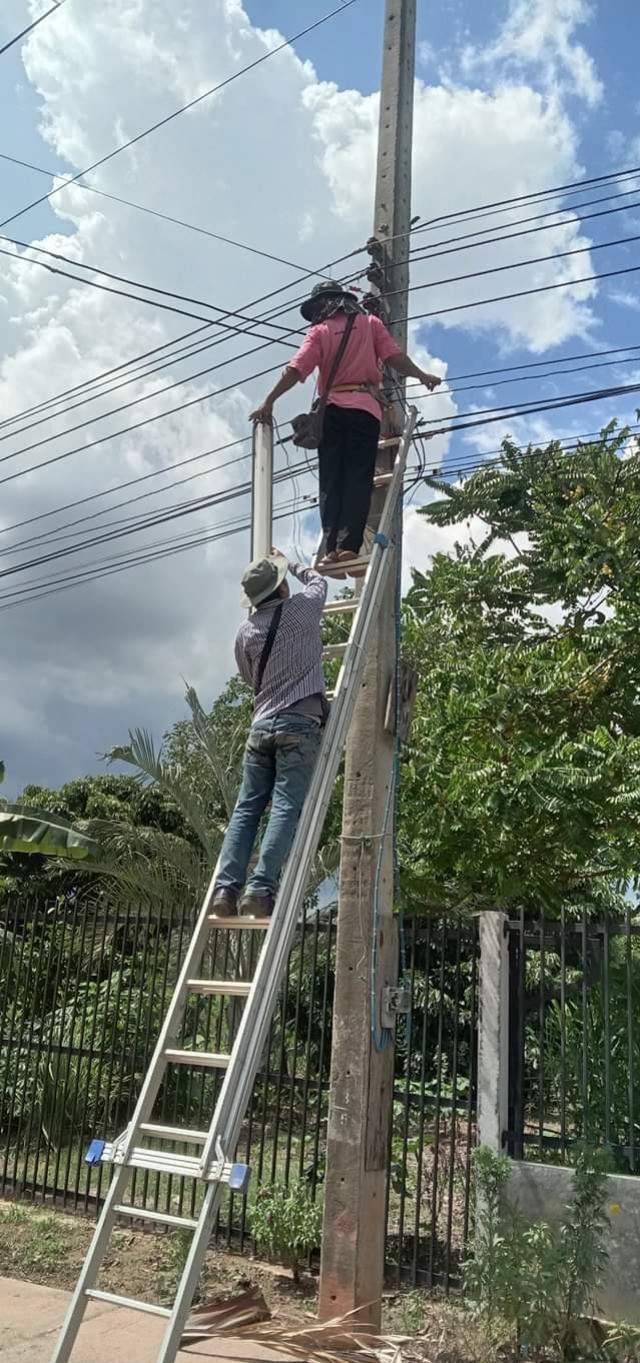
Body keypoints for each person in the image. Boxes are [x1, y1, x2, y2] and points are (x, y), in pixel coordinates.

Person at [250, 281, 442, 576]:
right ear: (345, 301)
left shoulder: (319, 332)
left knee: (331, 481)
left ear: (321, 306)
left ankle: (330, 551)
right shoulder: (370, 324)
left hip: (333, 413)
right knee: (357, 477)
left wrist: (269, 401)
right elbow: (393, 357)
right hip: (365, 410)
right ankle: (347, 546)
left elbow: (296, 369)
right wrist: (422, 375)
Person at [212, 550, 328, 918]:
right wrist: (290, 561)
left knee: (246, 810)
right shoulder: (302, 610)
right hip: (299, 724)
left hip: (260, 727)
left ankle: (225, 891)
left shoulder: (245, 632)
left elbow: (250, 680)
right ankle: (260, 890)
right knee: (283, 807)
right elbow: (319, 581)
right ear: (280, 586)